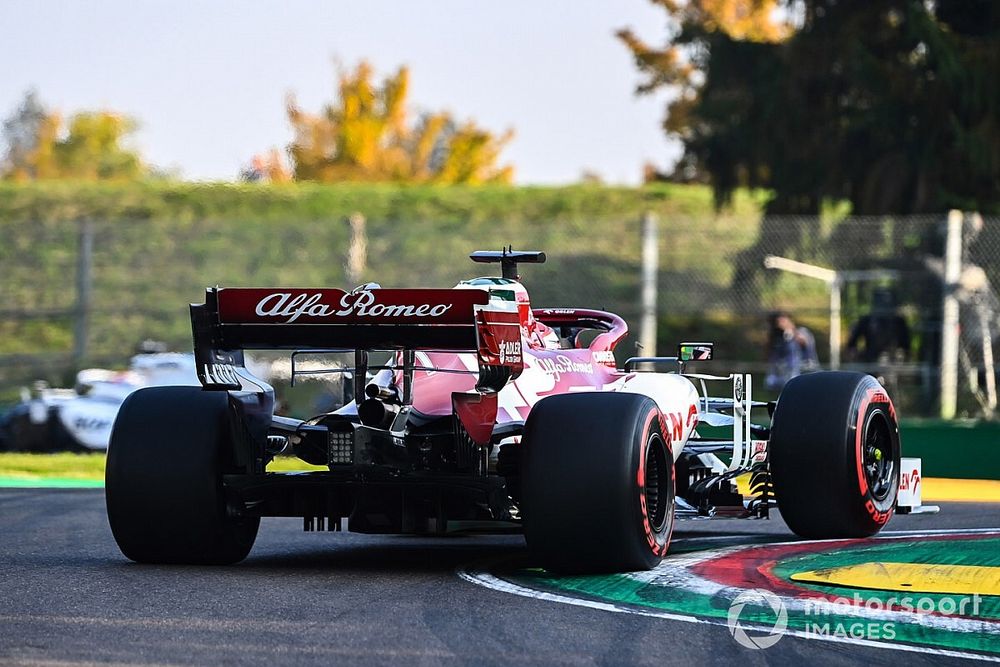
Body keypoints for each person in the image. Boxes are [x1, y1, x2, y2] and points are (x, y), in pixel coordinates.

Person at [846, 289, 911, 363]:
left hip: (892, 362)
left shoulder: (899, 322)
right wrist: (856, 357)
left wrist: (901, 357)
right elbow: (852, 344)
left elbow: (906, 345)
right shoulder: (866, 320)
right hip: (870, 361)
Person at [765, 311, 819, 391]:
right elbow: (771, 356)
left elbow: (803, 342)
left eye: (783, 321)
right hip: (786, 374)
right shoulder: (779, 339)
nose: (781, 324)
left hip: (806, 370)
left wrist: (790, 330)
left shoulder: (802, 332)